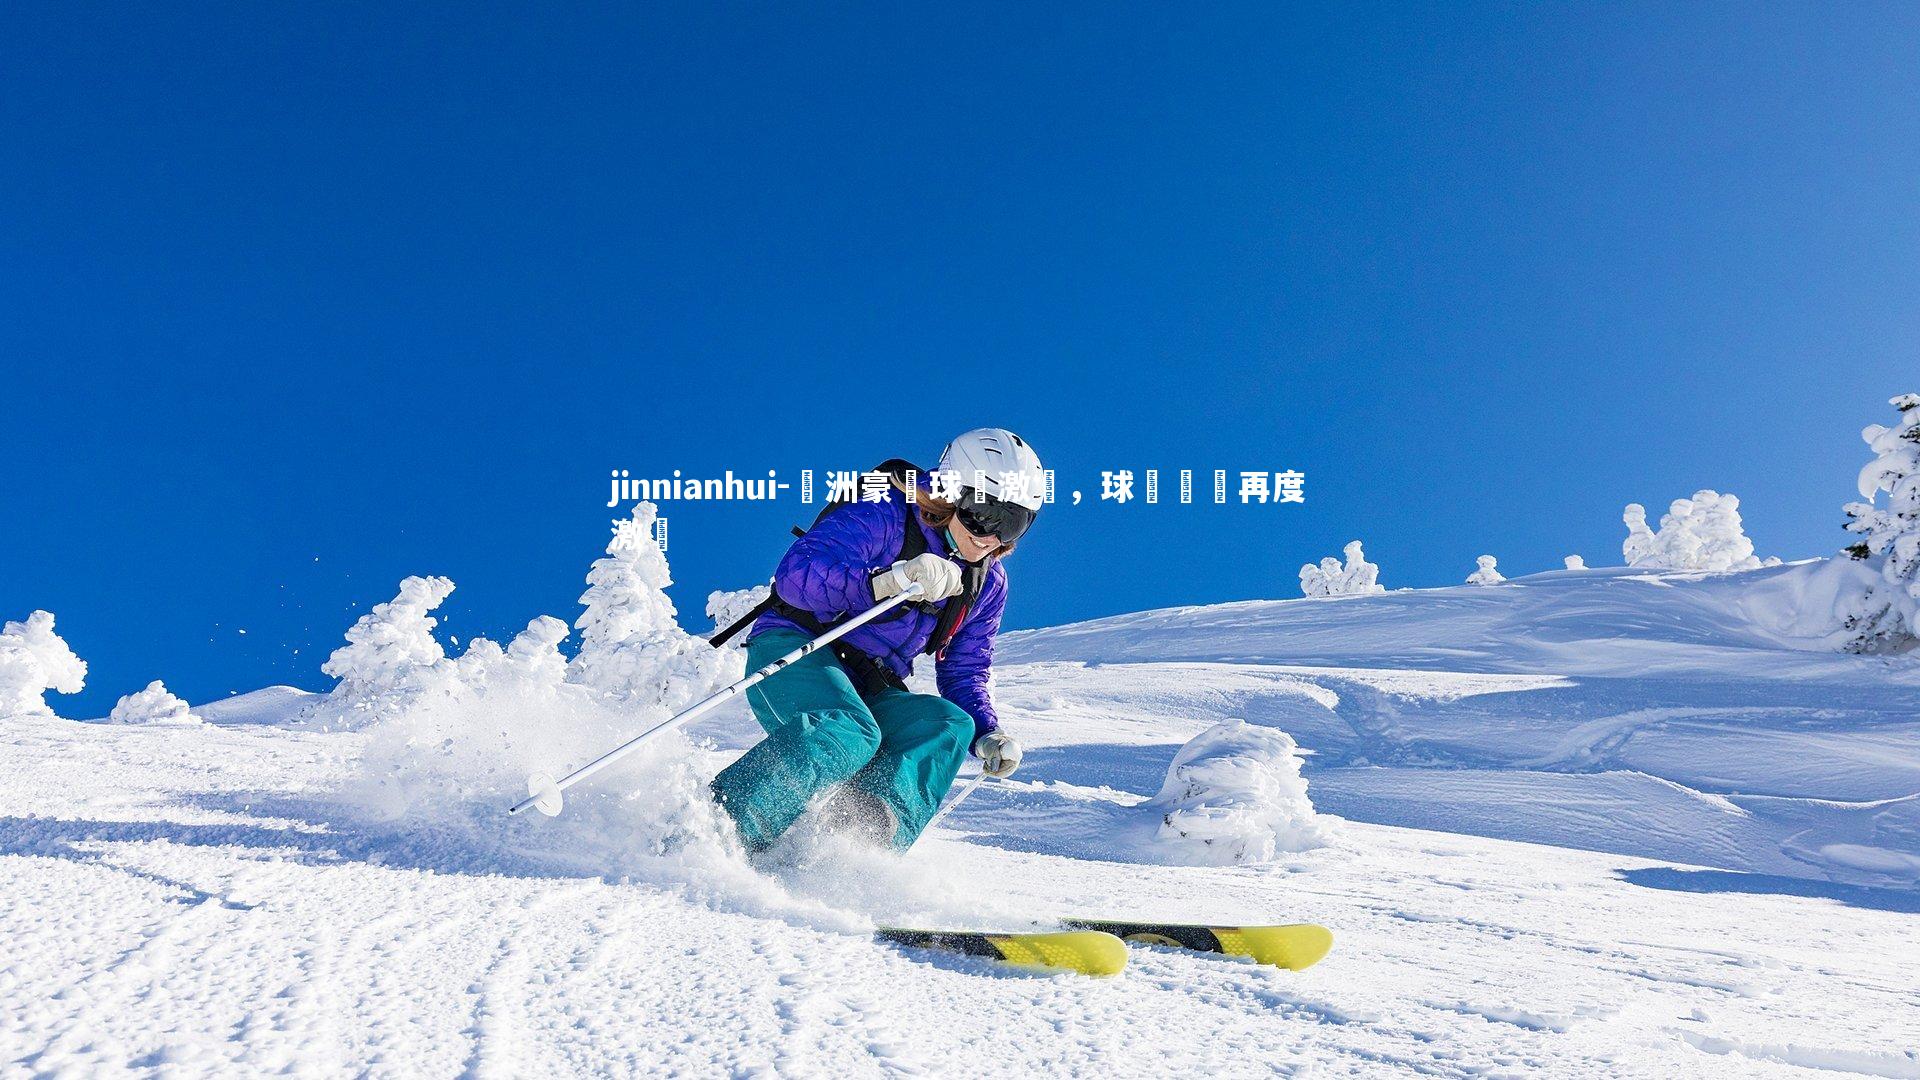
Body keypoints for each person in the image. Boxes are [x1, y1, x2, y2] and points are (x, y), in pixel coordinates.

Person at [709, 428, 1042, 853]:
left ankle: (851, 851)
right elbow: (798, 575)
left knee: (947, 726)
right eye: (982, 513)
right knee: (846, 730)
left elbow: (964, 667)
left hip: (870, 683)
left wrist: (987, 730)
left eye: (1012, 523)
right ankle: (719, 833)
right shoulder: (886, 509)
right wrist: (889, 580)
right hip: (801, 645)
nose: (990, 536)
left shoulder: (986, 582)